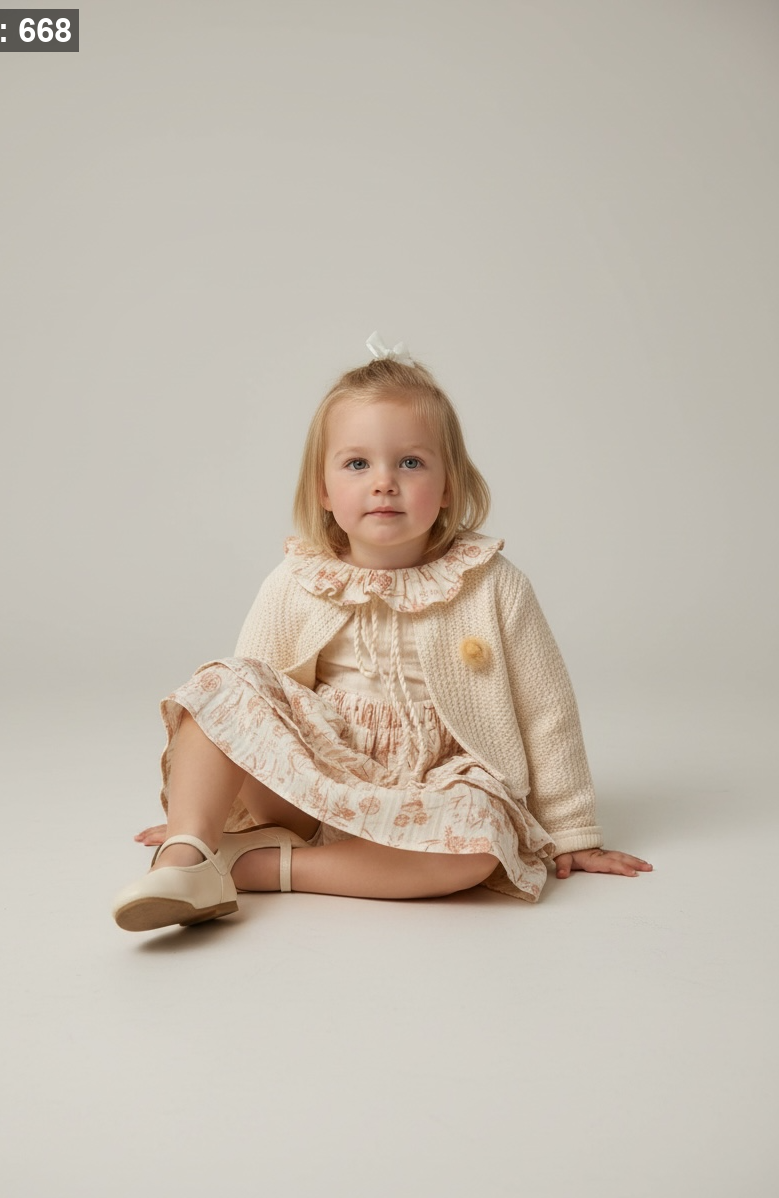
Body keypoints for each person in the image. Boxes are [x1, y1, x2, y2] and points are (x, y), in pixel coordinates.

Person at [112, 331, 652, 932]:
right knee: (222, 685)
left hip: (431, 789)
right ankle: (187, 855)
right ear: (323, 490)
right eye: (357, 464)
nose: (384, 482)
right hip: (314, 784)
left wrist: (572, 832)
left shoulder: (493, 584)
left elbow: (546, 709)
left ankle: (254, 868)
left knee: (481, 842)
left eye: (411, 463)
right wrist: (205, 812)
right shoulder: (299, 579)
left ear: (448, 487)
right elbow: (249, 706)